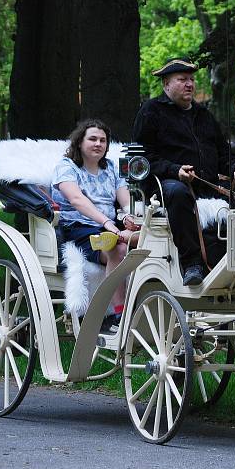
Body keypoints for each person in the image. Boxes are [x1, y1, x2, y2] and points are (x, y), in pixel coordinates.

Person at [132, 57, 235, 286]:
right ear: (166, 84)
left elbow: (224, 153)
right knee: (179, 192)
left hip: (207, 185)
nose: (189, 84)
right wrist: (175, 170)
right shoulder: (151, 111)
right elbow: (142, 159)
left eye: (191, 79)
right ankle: (192, 264)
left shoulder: (204, 115)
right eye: (182, 79)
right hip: (165, 186)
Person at [52, 119, 138, 333]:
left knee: (151, 236)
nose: (98, 143)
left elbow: (125, 200)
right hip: (78, 227)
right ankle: (119, 313)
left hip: (109, 228)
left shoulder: (111, 168)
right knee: (117, 248)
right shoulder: (66, 167)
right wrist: (108, 223)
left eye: (103, 140)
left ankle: (146, 304)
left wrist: (130, 216)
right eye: (92, 139)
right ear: (79, 142)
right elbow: (76, 200)